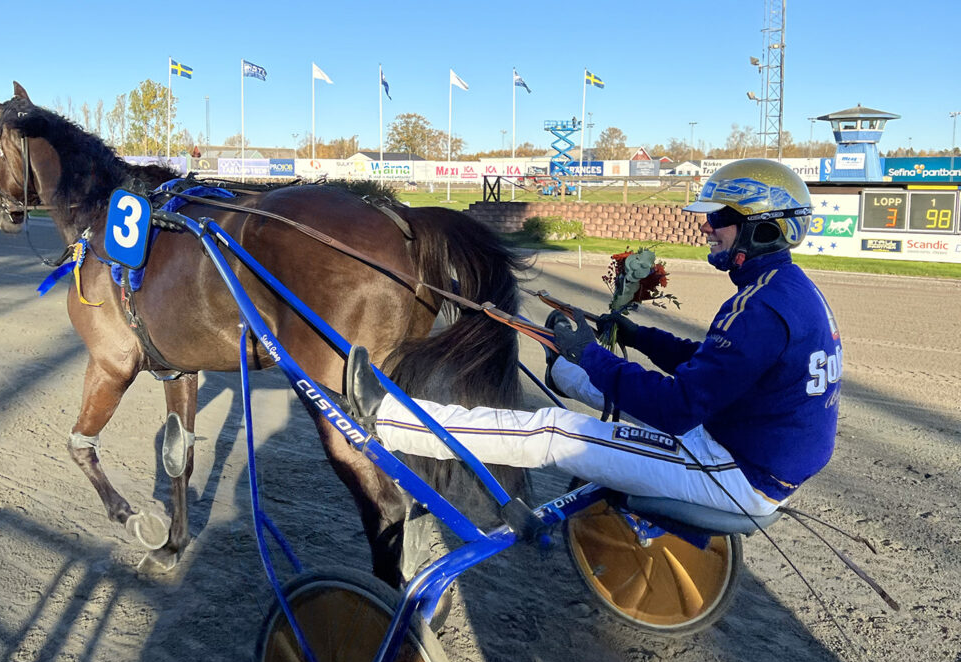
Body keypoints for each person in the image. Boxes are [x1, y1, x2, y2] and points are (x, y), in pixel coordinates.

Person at [344, 159, 842, 518]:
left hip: (733, 470)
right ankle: (564, 371)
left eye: (720, 219)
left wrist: (591, 354)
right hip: (750, 450)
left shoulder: (761, 308)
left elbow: (677, 407)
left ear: (761, 228)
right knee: (579, 380)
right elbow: (710, 364)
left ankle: (391, 422)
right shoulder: (785, 291)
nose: (708, 228)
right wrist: (633, 335)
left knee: (554, 432)